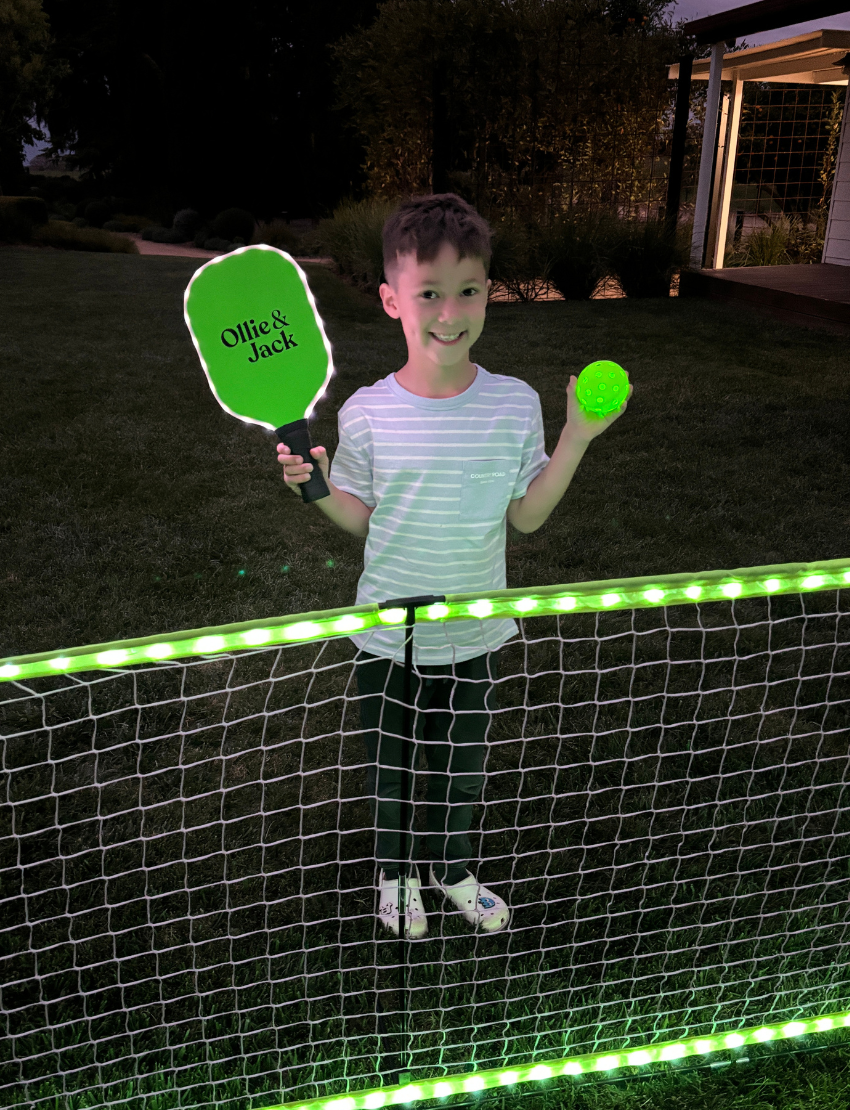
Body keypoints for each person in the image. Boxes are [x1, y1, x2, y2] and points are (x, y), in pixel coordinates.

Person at [278, 193, 632, 940]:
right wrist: (315, 489)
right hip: (387, 635)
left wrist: (575, 437)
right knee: (396, 769)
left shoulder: (512, 404)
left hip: (473, 634)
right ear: (390, 300)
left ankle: (451, 868)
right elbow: (361, 517)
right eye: (429, 293)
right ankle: (397, 873)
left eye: (468, 290)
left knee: (461, 768)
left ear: (488, 291)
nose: (450, 311)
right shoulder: (368, 413)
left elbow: (527, 516)